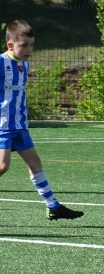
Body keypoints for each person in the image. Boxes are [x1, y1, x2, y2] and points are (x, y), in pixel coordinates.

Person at [1, 20, 83, 220]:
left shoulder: (25, 65)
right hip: (2, 126)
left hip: (20, 126)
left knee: (35, 163)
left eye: (31, 45)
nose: (29, 49)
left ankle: (53, 206)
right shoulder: (2, 63)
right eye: (24, 45)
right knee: (2, 166)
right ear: (10, 45)